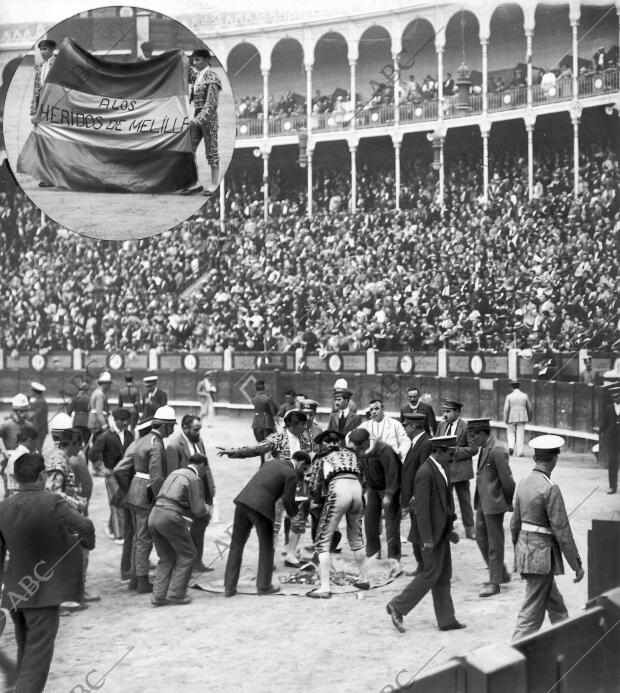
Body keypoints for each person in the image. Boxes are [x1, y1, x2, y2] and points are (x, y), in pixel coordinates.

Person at [0, 453, 95, 693]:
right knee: (38, 656)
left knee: (26, 648)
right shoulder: (52, 502)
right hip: (43, 594)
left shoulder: (3, 507)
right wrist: (85, 543)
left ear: (15, 477)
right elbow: (84, 526)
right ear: (42, 475)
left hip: (14, 593)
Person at [386, 436, 465, 633]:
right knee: (430, 574)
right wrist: (427, 538)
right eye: (451, 453)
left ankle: (446, 620)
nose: (453, 456)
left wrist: (449, 530)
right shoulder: (425, 473)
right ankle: (398, 605)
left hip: (439, 534)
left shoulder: (440, 469)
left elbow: (443, 505)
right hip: (428, 536)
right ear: (439, 451)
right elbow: (421, 509)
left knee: (443, 575)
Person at [511, 435, 584, 640]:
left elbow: (514, 524)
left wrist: (519, 552)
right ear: (554, 459)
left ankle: (568, 641)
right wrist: (576, 565)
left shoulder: (524, 483)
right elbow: (562, 531)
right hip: (542, 558)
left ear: (535, 458)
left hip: (526, 554)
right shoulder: (550, 488)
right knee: (531, 616)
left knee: (556, 605)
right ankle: (513, 655)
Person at [217, 410, 312, 566]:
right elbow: (257, 449)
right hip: (281, 484)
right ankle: (271, 558)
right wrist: (232, 452)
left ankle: (291, 554)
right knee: (275, 522)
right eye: (302, 424)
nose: (305, 427)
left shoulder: (305, 438)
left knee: (298, 520)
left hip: (301, 483)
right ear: (292, 425)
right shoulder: (278, 438)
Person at [221, 450, 307, 597]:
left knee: (236, 545)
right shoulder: (291, 474)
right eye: (304, 468)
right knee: (267, 547)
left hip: (243, 501)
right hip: (262, 508)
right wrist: (294, 516)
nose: (303, 472)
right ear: (301, 463)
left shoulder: (272, 462)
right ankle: (263, 586)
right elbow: (288, 501)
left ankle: (229, 587)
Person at [306, 430, 369, 598]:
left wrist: (317, 500)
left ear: (325, 444)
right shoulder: (352, 454)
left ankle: (325, 588)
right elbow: (364, 481)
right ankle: (363, 579)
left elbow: (314, 486)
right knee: (356, 537)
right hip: (357, 490)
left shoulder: (321, 457)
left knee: (323, 540)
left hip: (338, 490)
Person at [148, 453, 213, 606]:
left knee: (166, 557)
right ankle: (176, 594)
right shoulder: (194, 478)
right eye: (206, 469)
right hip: (169, 517)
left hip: (154, 515)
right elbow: (198, 510)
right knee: (188, 553)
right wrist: (208, 510)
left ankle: (158, 596)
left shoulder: (174, 473)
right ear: (202, 465)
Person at [124, 406, 177, 594]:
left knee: (137, 538)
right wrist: (162, 498)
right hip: (145, 496)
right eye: (171, 426)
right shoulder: (156, 443)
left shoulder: (144, 439)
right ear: (164, 426)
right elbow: (156, 478)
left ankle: (134, 578)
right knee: (145, 540)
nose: (173, 430)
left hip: (133, 492)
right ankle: (142, 582)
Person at [468, 418, 515, 597]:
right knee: (480, 537)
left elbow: (508, 481)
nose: (471, 440)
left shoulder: (497, 449)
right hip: (483, 502)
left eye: (473, 436)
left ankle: (495, 582)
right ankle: (501, 573)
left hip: (494, 504)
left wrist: (507, 502)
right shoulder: (485, 447)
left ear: (482, 433)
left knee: (495, 543)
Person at [166, 414, 216, 573]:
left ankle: (197, 562)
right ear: (185, 428)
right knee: (185, 530)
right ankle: (184, 563)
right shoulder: (174, 446)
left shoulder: (199, 441)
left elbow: (205, 466)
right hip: (185, 496)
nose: (198, 433)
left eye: (199, 429)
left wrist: (211, 488)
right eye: (195, 430)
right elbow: (173, 475)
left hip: (201, 492)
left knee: (201, 525)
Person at [349, 428, 401, 569]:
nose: (356, 448)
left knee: (391, 523)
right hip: (373, 489)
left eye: (359, 445)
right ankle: (373, 552)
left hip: (389, 488)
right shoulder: (359, 450)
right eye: (355, 445)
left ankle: (394, 557)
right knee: (370, 520)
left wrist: (389, 494)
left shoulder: (384, 450)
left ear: (366, 442)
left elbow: (393, 473)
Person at [90, 408, 134, 541]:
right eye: (123, 421)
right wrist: (101, 468)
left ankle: (111, 527)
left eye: (127, 420)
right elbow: (92, 453)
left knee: (122, 501)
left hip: (126, 475)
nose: (126, 423)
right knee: (116, 504)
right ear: (116, 420)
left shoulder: (129, 435)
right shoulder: (105, 436)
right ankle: (119, 535)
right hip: (112, 475)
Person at [435, 399, 476, 540]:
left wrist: (455, 451)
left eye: (448, 411)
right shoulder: (441, 425)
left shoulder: (466, 427)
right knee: (446, 501)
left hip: (461, 471)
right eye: (444, 411)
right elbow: (435, 443)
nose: (445, 414)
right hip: (445, 470)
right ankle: (448, 529)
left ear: (457, 412)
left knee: (465, 502)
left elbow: (474, 449)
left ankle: (470, 530)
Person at [400, 413, 432, 575]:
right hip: (414, 496)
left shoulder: (425, 443)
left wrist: (416, 495)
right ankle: (422, 566)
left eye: (406, 425)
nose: (404, 428)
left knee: (420, 531)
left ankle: (426, 567)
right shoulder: (418, 442)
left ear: (413, 426)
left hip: (418, 497)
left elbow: (423, 473)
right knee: (416, 532)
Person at [188, 48, 221, 192]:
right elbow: (185, 72)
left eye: (198, 59)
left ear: (207, 60)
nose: (194, 62)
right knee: (189, 149)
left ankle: (214, 184)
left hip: (209, 118)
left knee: (212, 151)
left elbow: (211, 104)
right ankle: (194, 182)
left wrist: (197, 120)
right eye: (193, 60)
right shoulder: (197, 76)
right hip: (197, 115)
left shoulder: (213, 77)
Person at [30, 38, 57, 189]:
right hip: (42, 111)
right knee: (43, 143)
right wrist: (34, 113)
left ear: (53, 50)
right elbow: (36, 92)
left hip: (56, 110)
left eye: (46, 49)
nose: (43, 52)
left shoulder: (59, 65)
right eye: (41, 49)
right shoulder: (40, 67)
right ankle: (47, 176)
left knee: (53, 142)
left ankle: (53, 176)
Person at [0, 394, 32, 498]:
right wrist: (4, 451)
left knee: (23, 493)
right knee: (10, 493)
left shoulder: (29, 425)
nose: (25, 413)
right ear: (15, 411)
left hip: (24, 463)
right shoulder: (6, 425)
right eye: (22, 411)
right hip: (9, 462)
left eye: (26, 410)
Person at [87, 372, 112, 474]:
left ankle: (97, 467)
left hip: (94, 422)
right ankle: (97, 468)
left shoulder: (96, 392)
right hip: (97, 423)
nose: (110, 386)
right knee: (99, 445)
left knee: (97, 444)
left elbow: (89, 407)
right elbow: (99, 411)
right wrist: (104, 424)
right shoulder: (100, 394)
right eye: (109, 383)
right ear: (104, 383)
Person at [4, 423, 38, 497]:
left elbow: (6, 475)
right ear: (30, 440)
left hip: (13, 495)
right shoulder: (25, 456)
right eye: (36, 441)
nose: (37, 444)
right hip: (22, 496)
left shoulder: (15, 453)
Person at [599, 382, 620, 494]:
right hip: (612, 440)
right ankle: (613, 486)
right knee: (612, 463)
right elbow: (605, 424)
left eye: (617, 396)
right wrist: (599, 430)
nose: (615, 398)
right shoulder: (609, 408)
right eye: (613, 397)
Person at [251, 380, 278, 464]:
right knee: (271, 443)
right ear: (264, 388)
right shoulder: (268, 398)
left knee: (260, 444)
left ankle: (262, 463)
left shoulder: (254, 399)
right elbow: (274, 411)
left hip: (256, 424)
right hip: (267, 424)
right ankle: (268, 463)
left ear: (256, 388)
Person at [503, 381, 532, 456]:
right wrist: (530, 417)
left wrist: (505, 419)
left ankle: (511, 447)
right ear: (519, 386)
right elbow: (530, 408)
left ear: (512, 387)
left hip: (511, 417)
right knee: (520, 434)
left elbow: (506, 409)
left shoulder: (509, 396)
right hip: (522, 417)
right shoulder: (524, 396)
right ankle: (520, 452)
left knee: (511, 433)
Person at [28, 381, 48, 452]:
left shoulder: (40, 402)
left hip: (39, 430)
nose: (31, 393)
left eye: (32, 391)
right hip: (39, 429)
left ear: (35, 392)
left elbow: (33, 415)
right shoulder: (39, 401)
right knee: (35, 449)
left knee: (37, 449)